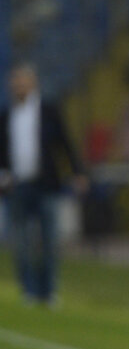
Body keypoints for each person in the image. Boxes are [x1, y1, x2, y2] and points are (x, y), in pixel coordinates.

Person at [0, 62, 88, 305]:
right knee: (22, 243)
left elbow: (65, 142)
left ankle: (48, 291)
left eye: (22, 80)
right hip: (17, 186)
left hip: (46, 185)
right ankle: (28, 290)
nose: (18, 85)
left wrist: (77, 171)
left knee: (49, 241)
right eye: (15, 81)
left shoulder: (49, 110)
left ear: (33, 82)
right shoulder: (7, 115)